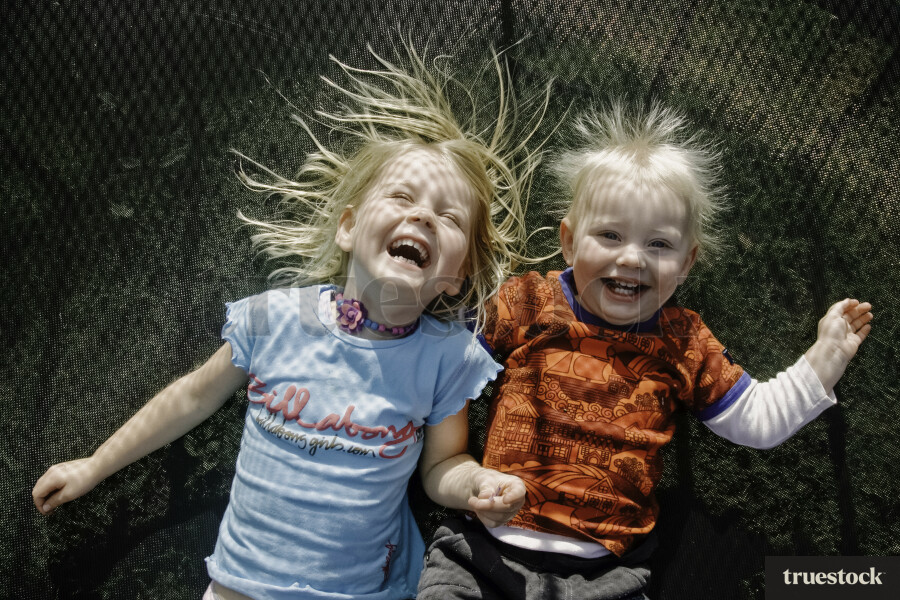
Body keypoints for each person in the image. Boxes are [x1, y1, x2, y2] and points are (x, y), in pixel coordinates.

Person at [31, 45, 544, 600]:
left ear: (456, 276)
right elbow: (190, 399)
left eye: (448, 217)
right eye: (400, 196)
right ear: (348, 228)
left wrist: (475, 485)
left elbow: (442, 463)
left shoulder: (445, 357)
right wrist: (94, 465)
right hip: (239, 587)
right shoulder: (276, 318)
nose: (421, 215)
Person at [417, 102, 873, 600]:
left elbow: (757, 420)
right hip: (481, 550)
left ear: (687, 263)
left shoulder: (685, 342)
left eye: (659, 244)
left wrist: (823, 361)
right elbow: (441, 355)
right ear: (568, 242)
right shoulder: (528, 301)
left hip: (604, 577)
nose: (632, 257)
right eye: (609, 235)